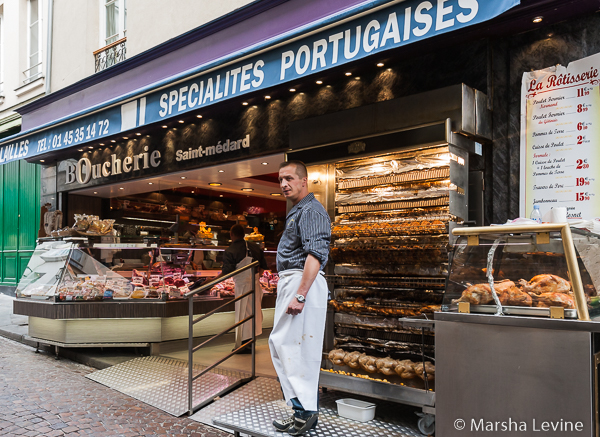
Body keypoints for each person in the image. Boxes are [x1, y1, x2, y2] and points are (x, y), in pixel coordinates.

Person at [269, 160, 331, 435]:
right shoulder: (299, 210)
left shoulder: (312, 210)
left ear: (304, 181)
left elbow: (316, 254)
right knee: (284, 347)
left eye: (290, 178)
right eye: (281, 179)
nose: (284, 184)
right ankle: (299, 411)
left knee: (297, 350)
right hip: (294, 282)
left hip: (302, 283)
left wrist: (301, 295)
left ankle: (306, 413)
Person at [218, 224, 267, 354]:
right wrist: (255, 278)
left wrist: (211, 281)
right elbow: (263, 268)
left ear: (231, 234)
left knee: (242, 314)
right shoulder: (255, 247)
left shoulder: (230, 250)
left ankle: (244, 345)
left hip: (241, 286)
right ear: (244, 234)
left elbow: (226, 272)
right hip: (255, 285)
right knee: (253, 313)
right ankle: (250, 343)